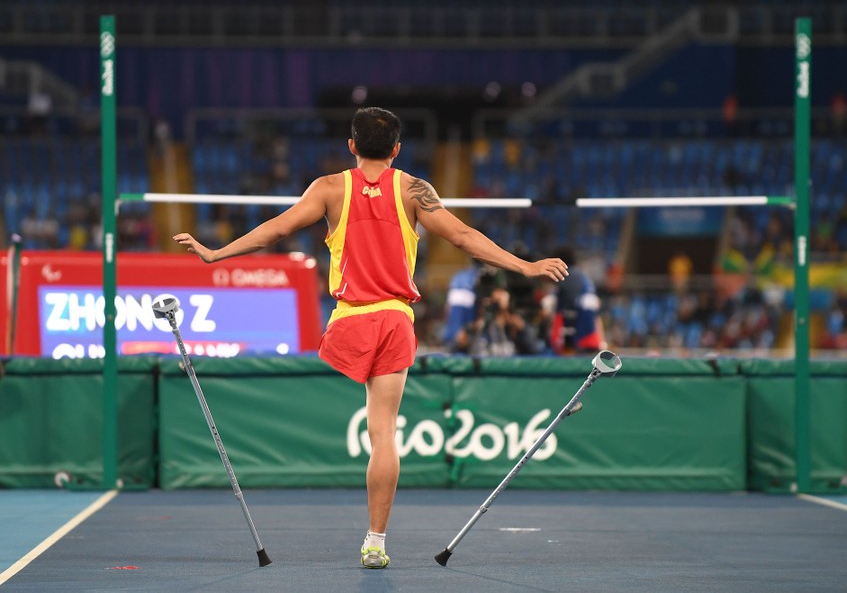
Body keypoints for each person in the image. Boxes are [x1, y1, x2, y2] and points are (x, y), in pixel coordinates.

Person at [172, 107, 568, 569]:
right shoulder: (415, 189)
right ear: (397, 149)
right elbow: (461, 236)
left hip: (349, 322)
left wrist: (216, 253)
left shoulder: (329, 188)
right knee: (384, 434)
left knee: (366, 422)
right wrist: (526, 266)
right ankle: (375, 540)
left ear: (351, 145)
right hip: (395, 320)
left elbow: (276, 230)